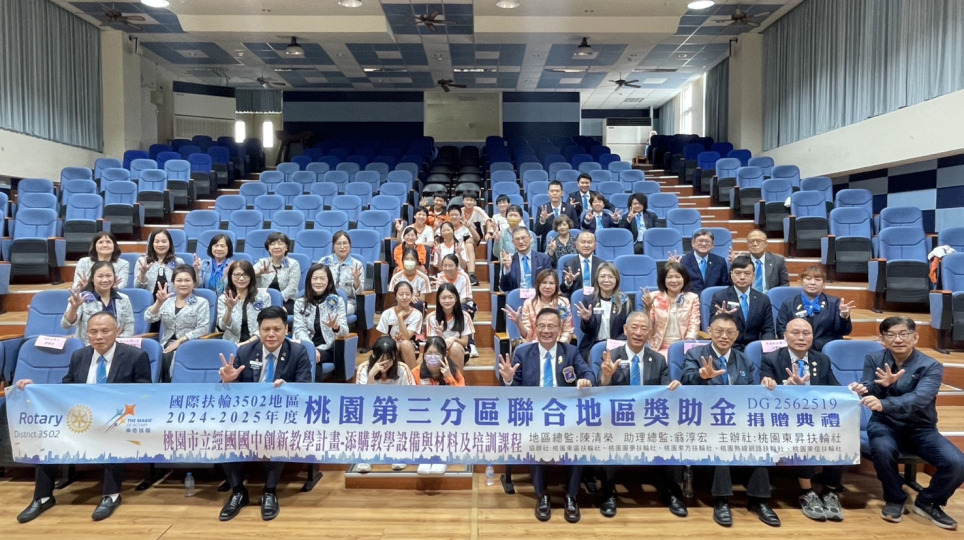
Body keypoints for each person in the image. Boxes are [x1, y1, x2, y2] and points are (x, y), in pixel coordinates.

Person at [16, 311, 151, 523]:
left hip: (116, 419)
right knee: (48, 437)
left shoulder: (135, 356)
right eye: (93, 332)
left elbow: (145, 393)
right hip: (82, 417)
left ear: (117, 331)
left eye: (105, 331)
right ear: (86, 333)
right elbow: (66, 388)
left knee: (111, 434)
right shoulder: (79, 356)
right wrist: (37, 388)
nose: (99, 336)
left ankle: (111, 495)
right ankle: (43, 497)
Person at [852, 317, 964, 529]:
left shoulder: (931, 366)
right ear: (883, 340)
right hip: (885, 424)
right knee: (882, 449)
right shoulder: (874, 358)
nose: (898, 339)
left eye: (903, 334)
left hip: (921, 428)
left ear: (915, 337)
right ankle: (894, 498)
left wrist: (884, 403)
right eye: (891, 335)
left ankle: (928, 501)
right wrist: (876, 387)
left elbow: (919, 399)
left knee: (957, 463)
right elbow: (868, 388)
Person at [681, 313, 781, 527]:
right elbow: (685, 382)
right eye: (719, 331)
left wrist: (766, 384)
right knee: (722, 439)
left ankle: (759, 501)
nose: (724, 336)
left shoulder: (744, 359)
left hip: (739, 419)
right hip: (706, 418)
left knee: (760, 440)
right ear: (709, 331)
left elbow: (752, 394)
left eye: (729, 332)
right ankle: (722, 500)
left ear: (736, 335)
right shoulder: (695, 354)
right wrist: (701, 376)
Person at [497, 308, 594, 523]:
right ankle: (542, 495)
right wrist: (509, 380)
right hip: (534, 415)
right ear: (534, 328)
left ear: (560, 329)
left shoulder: (570, 352)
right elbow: (513, 395)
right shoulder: (523, 353)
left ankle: (571, 496)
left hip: (566, 415)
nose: (546, 330)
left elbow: (588, 373)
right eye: (541, 326)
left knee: (581, 436)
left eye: (551, 326)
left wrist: (586, 380)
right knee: (536, 437)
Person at [216, 306, 312, 522]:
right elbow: (227, 394)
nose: (271, 334)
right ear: (258, 330)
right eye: (266, 329)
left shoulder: (297, 352)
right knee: (222, 431)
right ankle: (238, 491)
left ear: (286, 329)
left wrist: (288, 389)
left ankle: (269, 491)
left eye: (277, 329)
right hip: (247, 413)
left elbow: (305, 389)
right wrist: (227, 381)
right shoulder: (245, 352)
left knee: (275, 431)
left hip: (282, 413)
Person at [597, 311, 686, 518]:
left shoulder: (658, 359)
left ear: (650, 333)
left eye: (644, 328)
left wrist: (674, 387)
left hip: (649, 418)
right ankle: (608, 492)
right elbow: (597, 393)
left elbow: (665, 391)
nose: (638, 332)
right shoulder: (611, 356)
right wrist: (606, 377)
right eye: (634, 327)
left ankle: (671, 492)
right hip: (617, 416)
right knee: (606, 430)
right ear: (625, 330)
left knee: (676, 431)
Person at [760, 317, 844, 522]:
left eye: (806, 333)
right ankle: (807, 492)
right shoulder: (771, 359)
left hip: (817, 416)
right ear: (785, 336)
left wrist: (852, 391)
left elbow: (835, 389)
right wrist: (784, 386)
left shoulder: (821, 360)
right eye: (795, 333)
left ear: (812, 336)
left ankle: (830, 490)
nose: (801, 337)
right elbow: (765, 391)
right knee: (805, 433)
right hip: (784, 418)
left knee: (841, 431)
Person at [355, 336, 415, 473]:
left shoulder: (402, 369)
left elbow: (412, 397)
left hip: (397, 412)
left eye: (389, 359)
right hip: (373, 412)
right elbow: (361, 400)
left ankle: (399, 453)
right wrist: (371, 376)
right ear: (374, 356)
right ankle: (364, 456)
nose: (386, 363)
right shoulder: (363, 368)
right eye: (382, 359)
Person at [144, 264, 211, 382]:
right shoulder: (167, 301)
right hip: (165, 344)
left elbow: (203, 328)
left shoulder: (201, 302)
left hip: (189, 345)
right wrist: (158, 303)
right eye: (179, 280)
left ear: (194, 283)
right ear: (173, 283)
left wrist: (180, 341)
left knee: (168, 356)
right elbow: (149, 318)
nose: (183, 284)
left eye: (187, 280)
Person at [776, 265, 854, 351]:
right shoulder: (788, 304)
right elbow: (781, 330)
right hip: (797, 349)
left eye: (818, 279)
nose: (812, 282)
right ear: (801, 281)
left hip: (824, 351)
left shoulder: (834, 303)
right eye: (808, 279)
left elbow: (844, 332)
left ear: (824, 283)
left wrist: (843, 316)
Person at [292, 264, 348, 382]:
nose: (318, 282)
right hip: (305, 345)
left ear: (329, 281)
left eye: (322, 278)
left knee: (312, 359)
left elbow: (345, 332)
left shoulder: (337, 301)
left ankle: (309, 390)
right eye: (315, 278)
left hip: (328, 347)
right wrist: (311, 348)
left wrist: (336, 327)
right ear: (309, 280)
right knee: (310, 357)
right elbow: (299, 329)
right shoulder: (300, 303)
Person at [711, 255, 775, 351]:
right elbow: (712, 326)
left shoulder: (763, 299)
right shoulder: (720, 297)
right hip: (729, 347)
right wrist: (720, 317)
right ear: (731, 275)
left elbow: (768, 330)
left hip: (755, 348)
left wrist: (766, 349)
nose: (742, 277)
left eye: (747, 273)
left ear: (753, 276)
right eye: (738, 273)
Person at [62, 261, 135, 346]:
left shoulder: (123, 299)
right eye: (100, 276)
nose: (105, 280)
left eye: (108, 276)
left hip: (116, 348)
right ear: (92, 279)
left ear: (114, 278)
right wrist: (73, 308)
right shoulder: (81, 298)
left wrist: (115, 345)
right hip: (87, 347)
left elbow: (129, 328)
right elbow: (66, 325)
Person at [639, 260, 700, 355]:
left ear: (684, 279)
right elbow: (647, 328)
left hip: (683, 347)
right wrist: (647, 309)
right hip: (658, 348)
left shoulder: (692, 298)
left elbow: (694, 324)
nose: (674, 281)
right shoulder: (653, 297)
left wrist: (686, 347)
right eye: (669, 277)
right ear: (663, 280)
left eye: (677, 277)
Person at [575, 262, 632, 361]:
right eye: (602, 276)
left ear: (616, 279)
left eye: (610, 277)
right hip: (593, 345)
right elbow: (587, 331)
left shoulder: (624, 300)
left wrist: (613, 344)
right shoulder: (589, 299)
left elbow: (628, 329)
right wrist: (586, 321)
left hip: (617, 345)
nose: (606, 280)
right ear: (597, 279)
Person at [504, 268, 574, 344]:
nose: (547, 286)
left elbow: (567, 331)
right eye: (544, 283)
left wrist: (560, 346)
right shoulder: (529, 304)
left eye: (551, 283)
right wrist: (518, 322)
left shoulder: (563, 302)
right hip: (535, 346)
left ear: (556, 286)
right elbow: (527, 335)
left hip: (558, 345)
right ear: (538, 285)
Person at [135, 230, 185, 333]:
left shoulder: (178, 262)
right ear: (152, 244)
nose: (160, 244)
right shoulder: (142, 261)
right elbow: (138, 288)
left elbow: (183, 286)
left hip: (172, 306)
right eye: (157, 241)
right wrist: (143, 273)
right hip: (151, 307)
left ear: (169, 243)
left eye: (164, 241)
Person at [218, 259, 271, 345]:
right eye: (237, 275)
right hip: (232, 344)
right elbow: (223, 327)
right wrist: (229, 309)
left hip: (257, 343)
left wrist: (246, 343)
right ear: (231, 276)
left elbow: (266, 325)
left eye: (245, 275)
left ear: (251, 277)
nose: (241, 278)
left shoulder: (264, 297)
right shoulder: (224, 298)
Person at [425, 283, 475, 370]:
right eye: (444, 298)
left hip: (459, 350)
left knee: (455, 347)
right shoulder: (431, 317)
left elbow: (465, 342)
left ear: (456, 298)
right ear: (438, 299)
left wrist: (454, 339)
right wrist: (439, 336)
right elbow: (431, 344)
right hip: (439, 351)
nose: (447, 301)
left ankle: (457, 378)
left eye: (450, 297)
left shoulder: (465, 316)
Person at [376, 281, 422, 370]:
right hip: (391, 343)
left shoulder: (417, 314)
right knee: (388, 346)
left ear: (412, 295)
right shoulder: (387, 313)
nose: (404, 297)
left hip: (410, 344)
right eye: (401, 294)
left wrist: (400, 317)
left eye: (407, 294)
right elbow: (384, 337)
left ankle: (413, 375)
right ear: (395, 296)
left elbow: (406, 337)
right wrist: (394, 342)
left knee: (405, 344)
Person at [319, 231, 365, 316]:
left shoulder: (357, 264)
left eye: (345, 243)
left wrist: (356, 281)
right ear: (333, 246)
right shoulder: (324, 261)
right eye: (338, 244)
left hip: (348, 302)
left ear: (350, 245)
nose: (342, 247)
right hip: (325, 299)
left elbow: (359, 293)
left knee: (339, 309)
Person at [254, 231, 300, 314]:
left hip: (286, 301)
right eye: (272, 244)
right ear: (268, 248)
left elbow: (292, 287)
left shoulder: (293, 264)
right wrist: (259, 272)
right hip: (263, 299)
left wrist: (276, 299)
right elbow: (248, 275)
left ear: (286, 247)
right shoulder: (263, 262)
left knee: (276, 313)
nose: (276, 247)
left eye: (280, 243)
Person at [499, 225, 551, 292]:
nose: (521, 241)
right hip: (518, 296)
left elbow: (549, 282)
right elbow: (504, 288)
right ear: (513, 242)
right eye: (517, 239)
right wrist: (507, 269)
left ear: (531, 239)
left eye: (523, 238)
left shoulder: (543, 259)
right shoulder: (509, 260)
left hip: (539, 295)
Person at [680, 228, 731, 295]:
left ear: (713, 244)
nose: (704, 244)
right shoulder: (683, 261)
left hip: (714, 298)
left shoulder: (720, 261)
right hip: (690, 298)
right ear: (693, 243)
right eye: (700, 241)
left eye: (707, 241)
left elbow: (725, 285)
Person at [560, 231, 604, 297]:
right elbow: (563, 290)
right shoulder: (569, 264)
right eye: (583, 242)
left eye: (589, 242)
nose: (586, 245)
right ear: (576, 245)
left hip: (597, 298)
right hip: (576, 299)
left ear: (595, 245)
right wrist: (569, 282)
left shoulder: (602, 264)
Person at [389, 247, 431, 312]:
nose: (409, 261)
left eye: (412, 259)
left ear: (417, 262)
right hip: (400, 304)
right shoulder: (396, 277)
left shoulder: (424, 278)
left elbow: (422, 298)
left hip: (416, 305)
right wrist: (409, 297)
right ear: (402, 261)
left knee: (418, 303)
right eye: (406, 259)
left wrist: (410, 298)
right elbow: (394, 297)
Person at [448, 204, 481, 285]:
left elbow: (477, 238)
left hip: (463, 252)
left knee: (469, 245)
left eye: (456, 215)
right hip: (449, 251)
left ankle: (471, 275)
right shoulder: (445, 227)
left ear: (460, 216)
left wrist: (470, 228)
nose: (454, 217)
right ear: (448, 216)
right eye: (452, 215)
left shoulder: (466, 226)